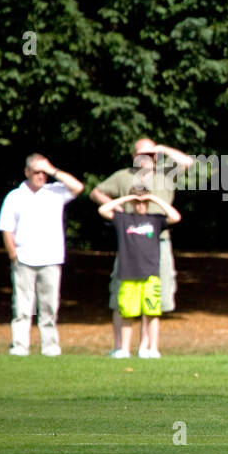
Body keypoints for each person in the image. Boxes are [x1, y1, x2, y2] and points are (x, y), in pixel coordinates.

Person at [90, 138, 194, 357]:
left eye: (151, 154)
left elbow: (188, 163)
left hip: (160, 239)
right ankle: (121, 347)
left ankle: (146, 347)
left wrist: (163, 149)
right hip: (129, 241)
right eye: (142, 154)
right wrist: (122, 209)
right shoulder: (123, 176)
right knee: (121, 295)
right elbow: (96, 193)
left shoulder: (166, 173)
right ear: (134, 156)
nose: (147, 158)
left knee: (155, 296)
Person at [0, 154, 84, 356]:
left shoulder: (55, 192)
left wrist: (53, 170)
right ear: (27, 172)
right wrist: (13, 255)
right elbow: (7, 229)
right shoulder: (14, 196)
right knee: (23, 306)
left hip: (51, 258)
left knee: (49, 306)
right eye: (37, 172)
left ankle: (50, 346)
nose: (41, 176)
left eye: (44, 173)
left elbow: (78, 187)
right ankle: (20, 346)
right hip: (24, 258)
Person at [97, 183, 182, 358]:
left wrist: (153, 198)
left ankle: (152, 348)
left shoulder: (155, 219)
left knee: (152, 313)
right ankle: (124, 349)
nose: (140, 205)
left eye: (143, 202)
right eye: (138, 202)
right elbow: (103, 210)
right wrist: (129, 198)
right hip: (128, 274)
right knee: (127, 313)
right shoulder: (123, 219)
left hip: (150, 274)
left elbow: (175, 216)